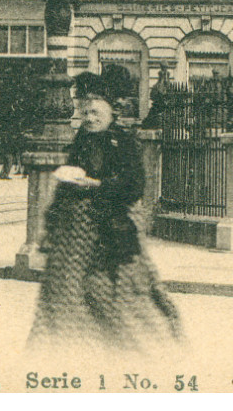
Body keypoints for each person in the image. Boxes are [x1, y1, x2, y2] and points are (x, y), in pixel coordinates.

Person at [30, 73, 181, 353]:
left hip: (110, 230)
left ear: (112, 112)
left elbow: (134, 186)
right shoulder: (81, 140)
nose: (89, 117)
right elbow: (65, 186)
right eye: (85, 112)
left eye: (96, 112)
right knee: (63, 298)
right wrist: (51, 225)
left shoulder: (124, 142)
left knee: (117, 297)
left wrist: (98, 185)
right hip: (72, 242)